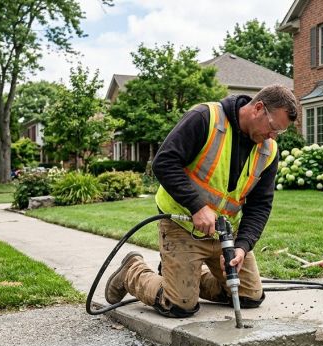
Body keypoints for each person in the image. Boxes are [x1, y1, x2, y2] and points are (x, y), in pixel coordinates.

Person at [104, 85, 298, 318]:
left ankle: (181, 277)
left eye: (280, 132)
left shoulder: (268, 150)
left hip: (224, 232)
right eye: (274, 127)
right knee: (180, 305)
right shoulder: (206, 118)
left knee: (249, 296)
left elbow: (260, 205)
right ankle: (132, 270)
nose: (273, 136)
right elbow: (164, 162)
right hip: (182, 225)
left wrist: (242, 246)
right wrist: (197, 206)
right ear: (258, 108)